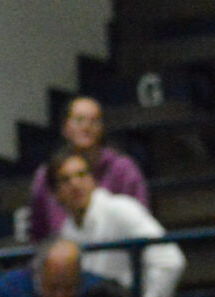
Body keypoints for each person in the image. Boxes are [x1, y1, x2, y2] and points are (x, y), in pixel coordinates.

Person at [45, 147, 185, 297]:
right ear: (56, 193)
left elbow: (170, 261)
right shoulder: (66, 232)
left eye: (81, 175)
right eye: (65, 180)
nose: (76, 184)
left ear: (93, 180)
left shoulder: (121, 209)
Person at [27, 96, 150, 242]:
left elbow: (140, 220)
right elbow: (39, 233)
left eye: (94, 121)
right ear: (65, 128)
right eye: (79, 120)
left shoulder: (123, 168)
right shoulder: (46, 174)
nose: (86, 127)